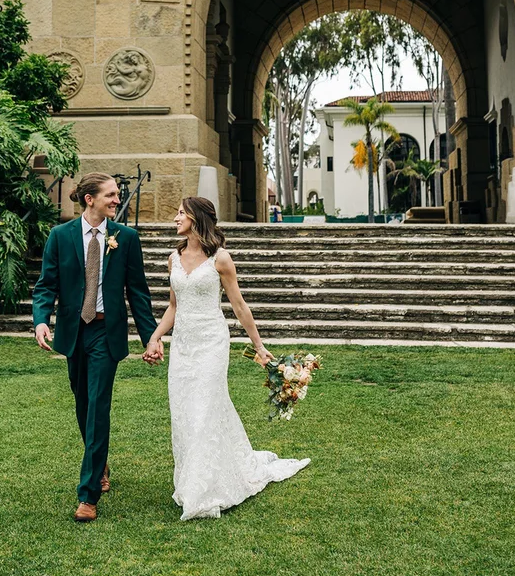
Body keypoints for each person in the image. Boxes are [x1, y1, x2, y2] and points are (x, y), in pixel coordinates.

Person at [143, 196, 309, 521]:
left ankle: (202, 491)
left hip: (211, 343)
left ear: (196, 218)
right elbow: (174, 306)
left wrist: (259, 346)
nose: (175, 218)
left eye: (181, 213)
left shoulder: (220, 259)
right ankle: (194, 479)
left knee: (204, 409)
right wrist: (155, 336)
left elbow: (239, 305)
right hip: (183, 346)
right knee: (185, 412)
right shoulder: (173, 258)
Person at [33, 172, 163, 523]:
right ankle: (99, 460)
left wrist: (150, 338)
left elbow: (138, 292)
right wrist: (41, 319)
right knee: (83, 403)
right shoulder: (60, 236)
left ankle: (88, 495)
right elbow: (46, 285)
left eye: (117, 194)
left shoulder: (126, 238)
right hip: (74, 332)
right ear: (89, 199)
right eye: (110, 195)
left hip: (107, 332)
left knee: (98, 407)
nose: (117, 200)